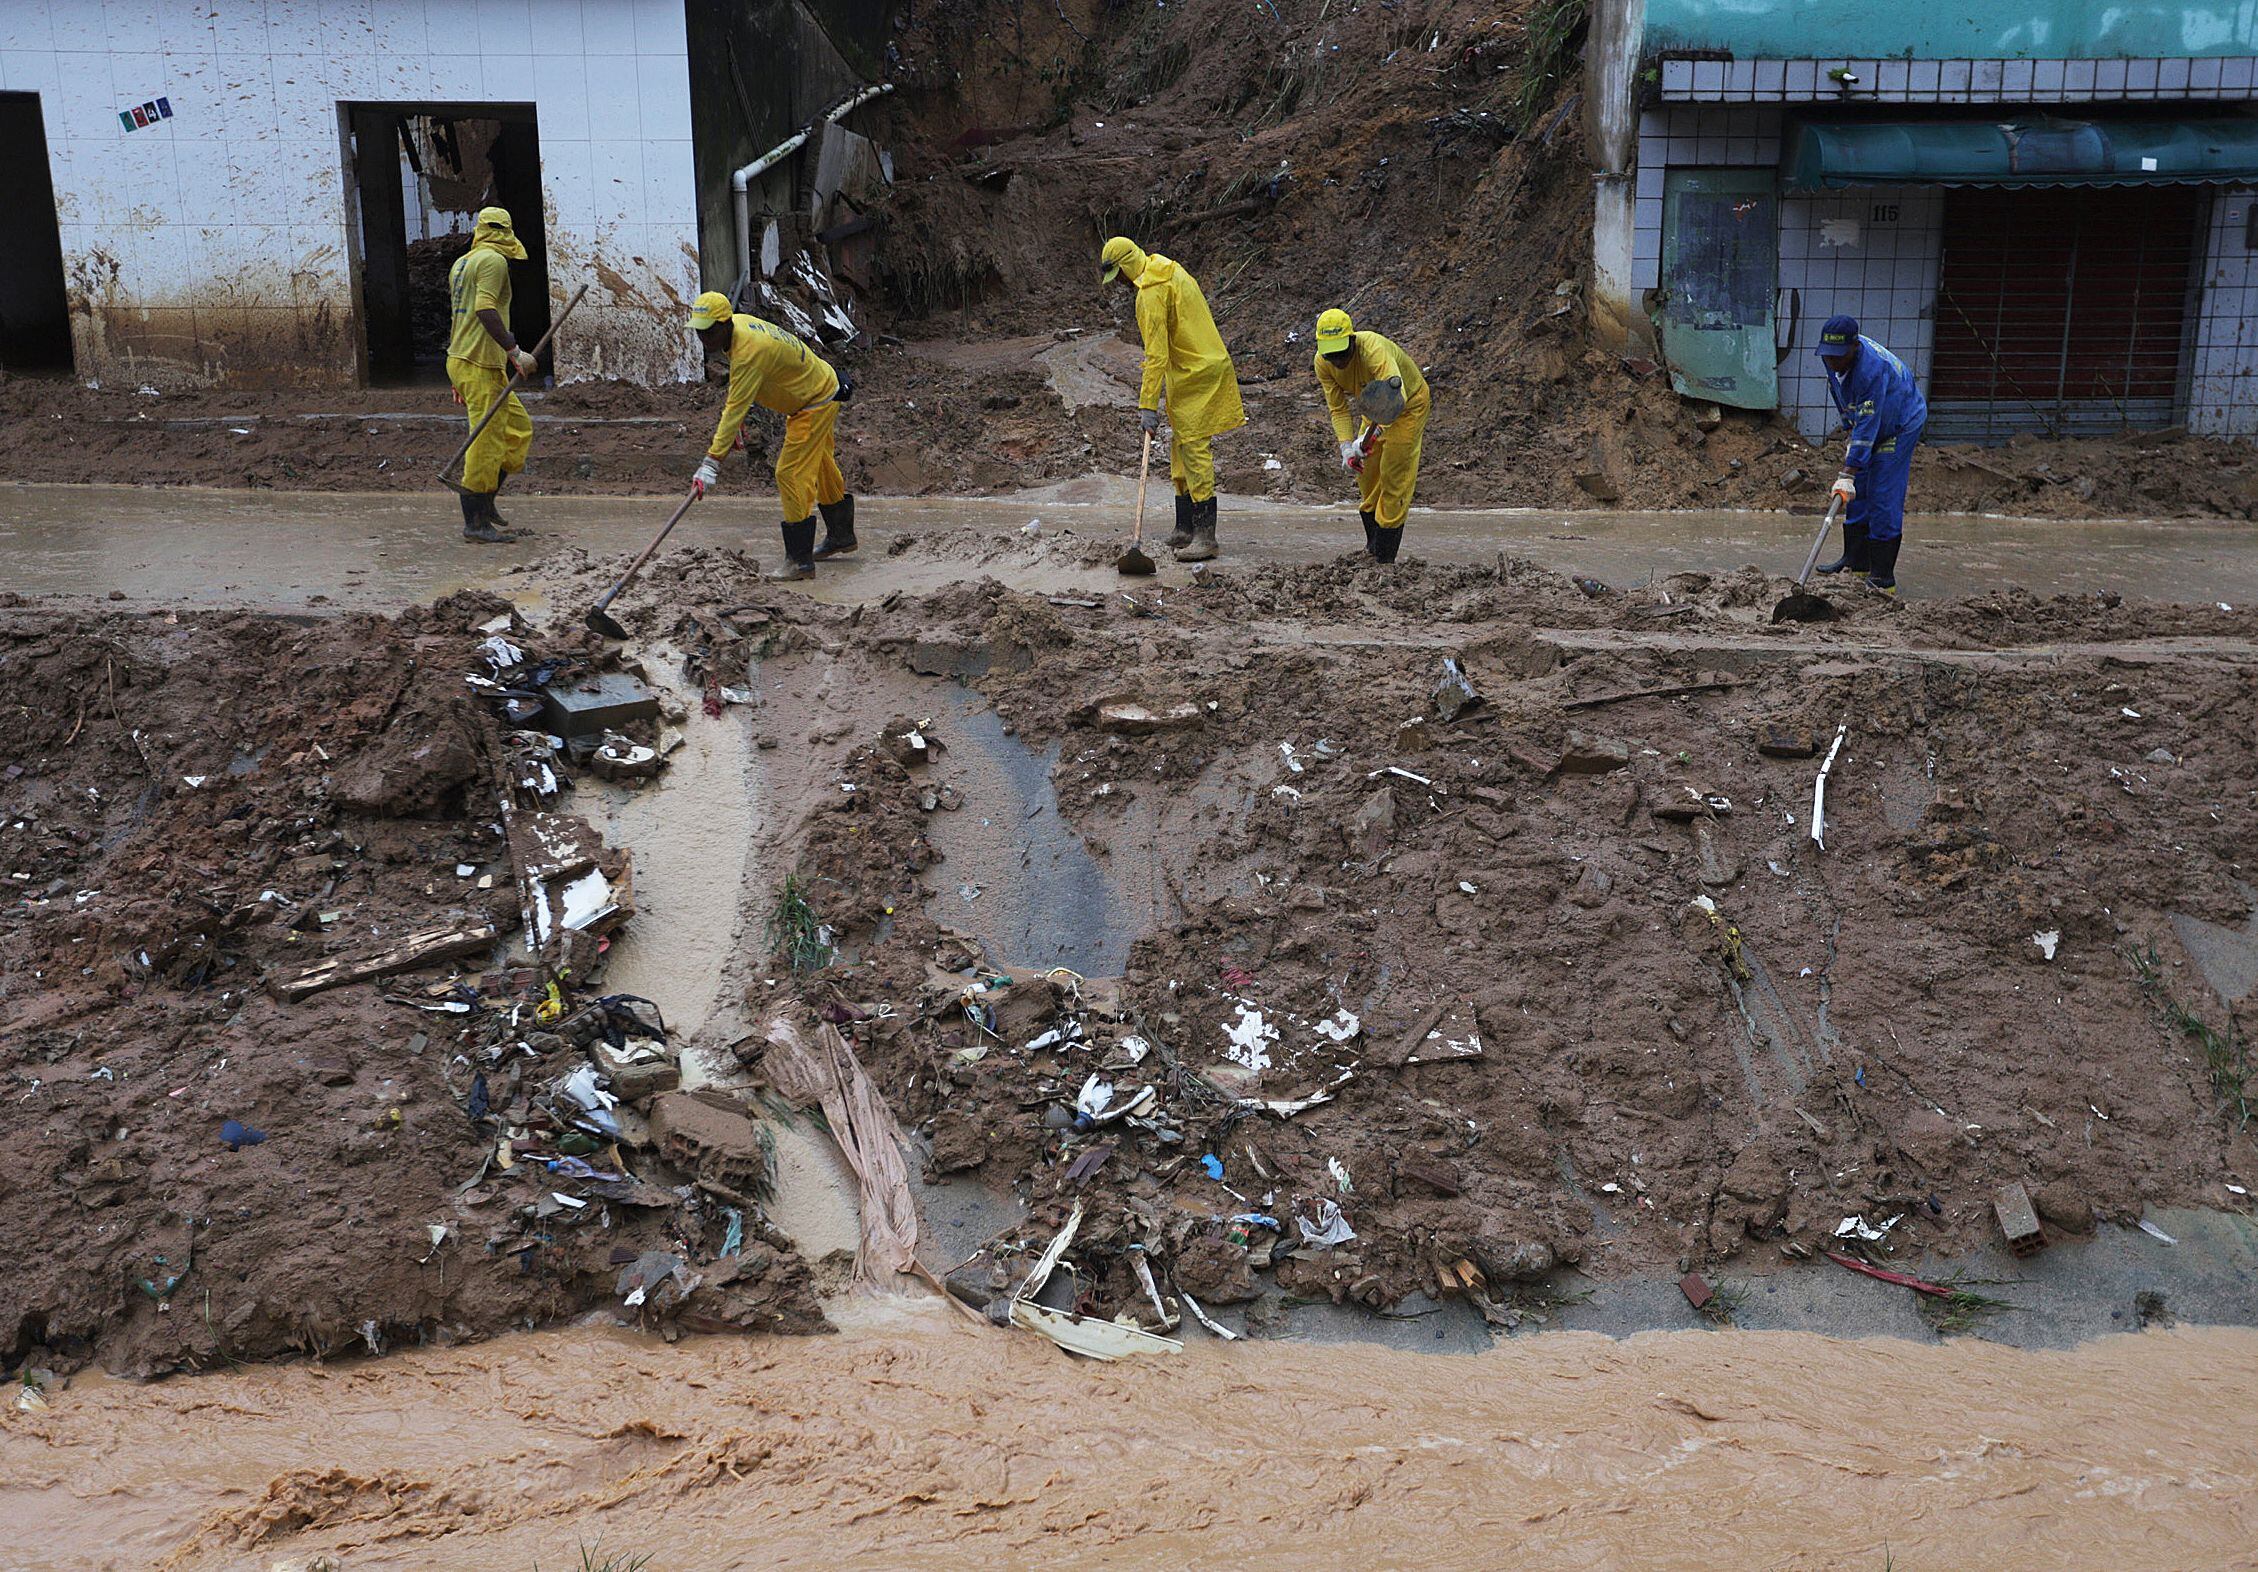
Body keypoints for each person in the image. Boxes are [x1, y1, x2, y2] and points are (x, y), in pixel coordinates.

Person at [686, 290, 854, 581]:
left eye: (708, 332)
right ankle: (841, 536)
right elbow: (740, 393)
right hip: (820, 386)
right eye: (699, 332)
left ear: (725, 323)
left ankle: (799, 562)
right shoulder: (737, 329)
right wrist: (736, 424)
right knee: (820, 462)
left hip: (814, 402)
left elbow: (735, 405)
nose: (704, 339)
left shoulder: (750, 350)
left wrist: (711, 462)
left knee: (789, 473)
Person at [1101, 237, 1245, 562]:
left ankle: (1206, 537)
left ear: (1126, 267)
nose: (1120, 284)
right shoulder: (1166, 269)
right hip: (1190, 371)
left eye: (1119, 276)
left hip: (1198, 373)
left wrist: (1147, 404)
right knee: (1180, 448)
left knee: (1193, 449)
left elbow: (1156, 355)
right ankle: (1185, 528)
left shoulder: (1151, 292)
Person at [445, 206, 539, 544]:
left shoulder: (462, 263)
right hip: (478, 363)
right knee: (484, 440)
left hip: (467, 359)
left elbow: (460, 318)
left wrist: (457, 371)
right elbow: (484, 310)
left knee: (516, 430)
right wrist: (515, 351)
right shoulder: (494, 262)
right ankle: (475, 520)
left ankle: (487, 500)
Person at [1815, 313, 1926, 594]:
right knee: (1858, 489)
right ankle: (1856, 561)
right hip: (1872, 418)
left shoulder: (1871, 370)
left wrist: (1846, 472)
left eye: (1838, 356)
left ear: (1855, 347)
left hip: (1900, 424)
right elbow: (1844, 399)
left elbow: (1869, 422)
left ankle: (1882, 578)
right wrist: (1849, 430)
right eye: (1828, 355)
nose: (1832, 361)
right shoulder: (1832, 355)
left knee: (1882, 491)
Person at [1311, 308, 1429, 563]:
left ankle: (1384, 559)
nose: (1338, 360)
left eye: (1342, 352)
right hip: (1375, 406)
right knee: (1368, 477)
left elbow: (1395, 398)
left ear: (1352, 340)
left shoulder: (1373, 349)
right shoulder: (1323, 363)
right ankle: (1372, 548)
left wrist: (1368, 437)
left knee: (1394, 473)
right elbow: (1338, 408)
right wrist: (1346, 447)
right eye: (1331, 354)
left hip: (1407, 405)